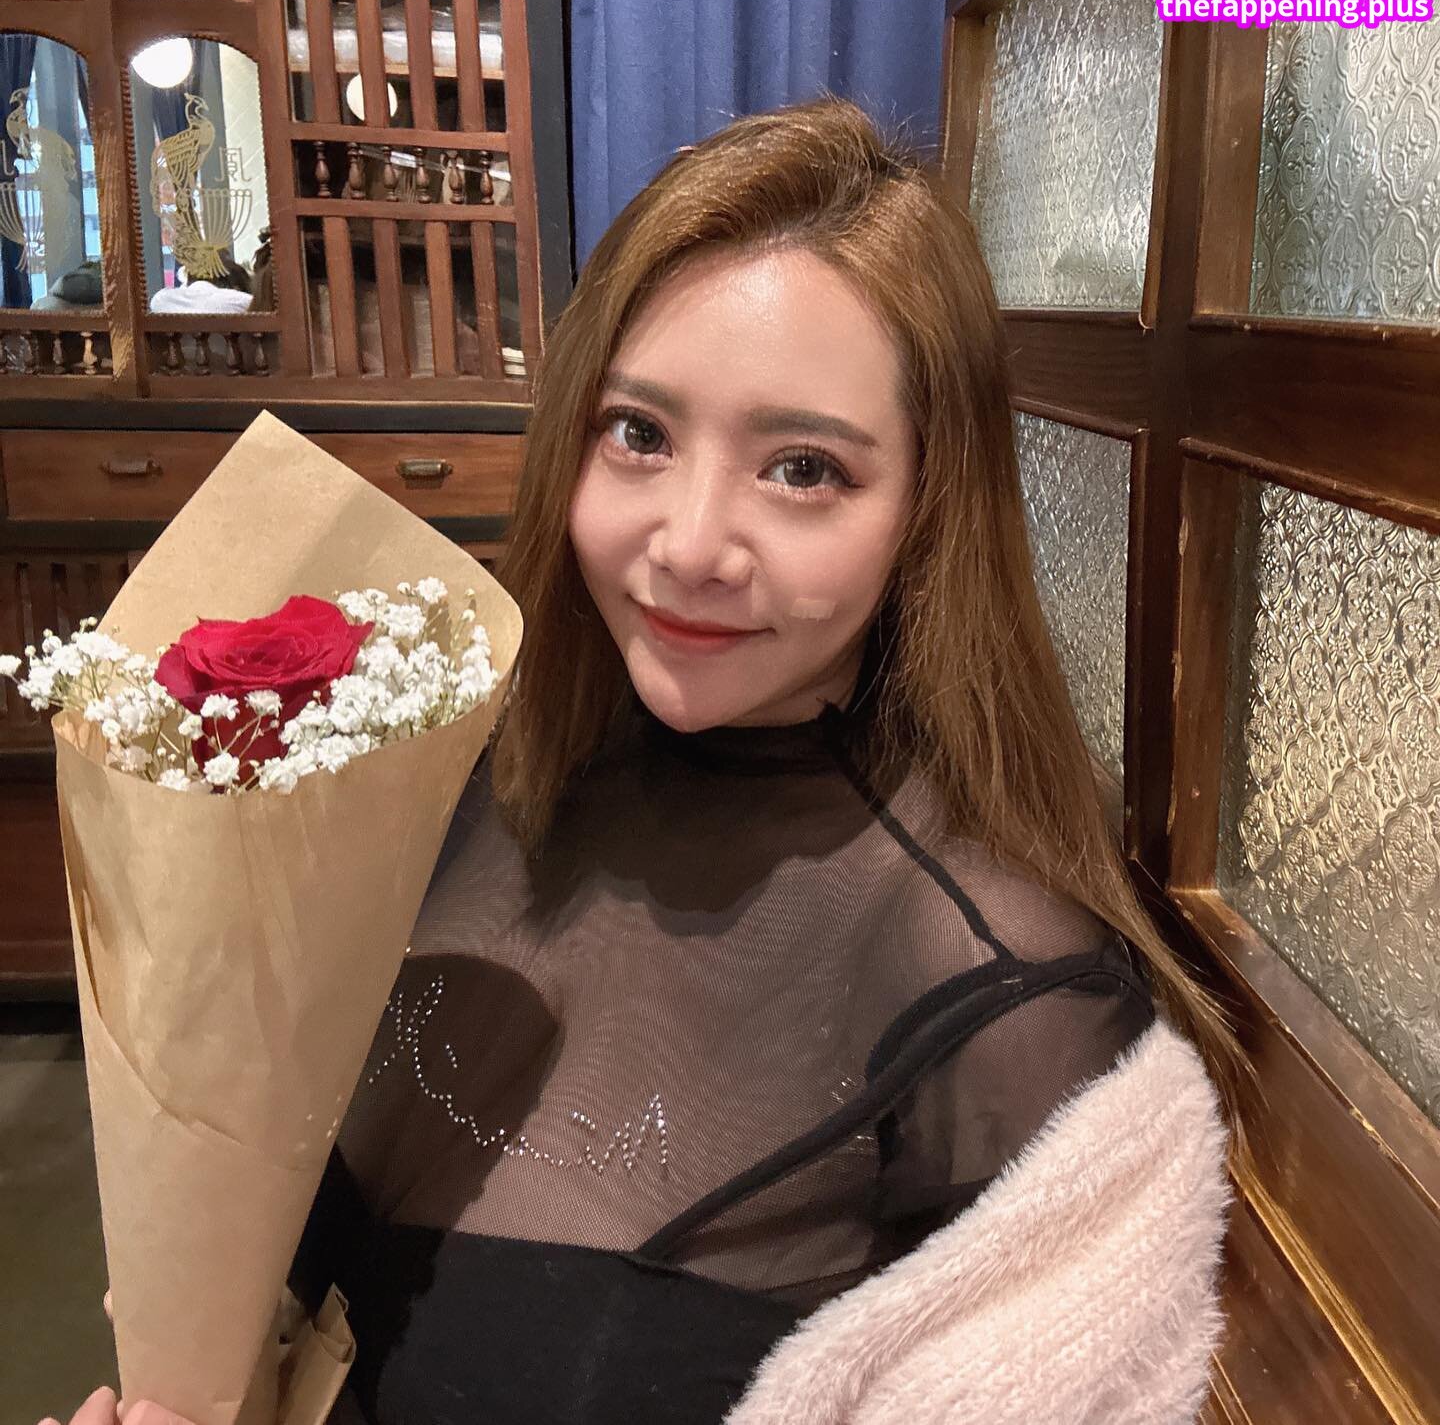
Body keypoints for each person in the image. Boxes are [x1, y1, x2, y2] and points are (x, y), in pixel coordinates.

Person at [44, 94, 1243, 1425]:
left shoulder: (1003, 1001)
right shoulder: (438, 801)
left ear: (929, 503)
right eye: (641, 435)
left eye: (803, 468)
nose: (688, 543)